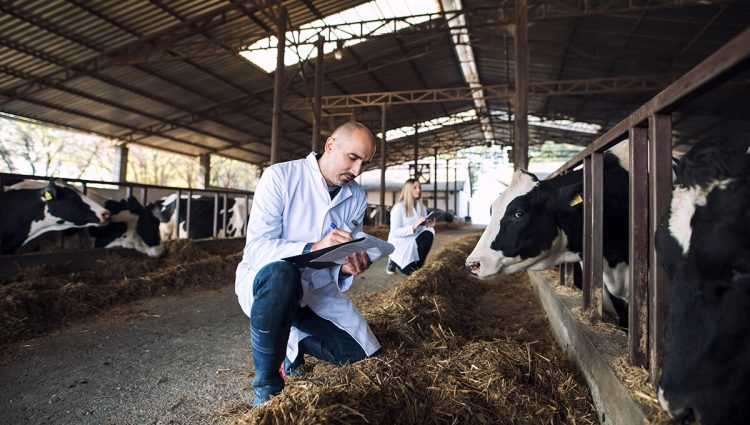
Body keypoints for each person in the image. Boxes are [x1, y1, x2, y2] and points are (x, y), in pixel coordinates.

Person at [235, 122, 380, 407]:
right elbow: (256, 248)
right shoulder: (281, 177)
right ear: (330, 145)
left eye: (365, 162)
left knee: (360, 354)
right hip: (270, 287)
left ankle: (292, 339)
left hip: (316, 293)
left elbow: (339, 256)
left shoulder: (357, 197)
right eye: (352, 158)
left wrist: (345, 267)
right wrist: (311, 247)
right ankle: (267, 386)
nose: (357, 171)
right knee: (282, 273)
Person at [386, 178, 435, 276]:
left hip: (414, 240)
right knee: (409, 272)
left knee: (429, 233)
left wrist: (428, 225)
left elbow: (422, 229)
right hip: (400, 243)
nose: (419, 190)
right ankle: (393, 259)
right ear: (408, 190)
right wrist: (413, 226)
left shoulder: (422, 207)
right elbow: (395, 232)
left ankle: (419, 266)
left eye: (419, 187)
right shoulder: (398, 208)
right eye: (415, 188)